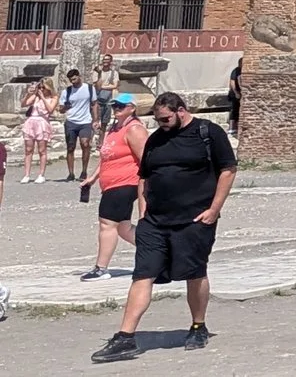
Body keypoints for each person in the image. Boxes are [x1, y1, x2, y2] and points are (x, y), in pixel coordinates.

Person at [92, 92, 236, 362]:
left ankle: (198, 325)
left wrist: (214, 210)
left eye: (166, 119)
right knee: (142, 275)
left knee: (195, 273)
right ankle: (125, 337)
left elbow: (228, 170)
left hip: (194, 220)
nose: (162, 124)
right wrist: (143, 214)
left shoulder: (208, 132)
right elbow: (144, 176)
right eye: (158, 120)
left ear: (181, 110)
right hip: (155, 223)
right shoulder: (156, 140)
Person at [83, 95, 149, 281]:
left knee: (107, 223)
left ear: (132, 108)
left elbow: (146, 158)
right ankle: (160, 251)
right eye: (114, 106)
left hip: (125, 182)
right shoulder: (114, 128)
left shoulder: (134, 129)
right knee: (123, 228)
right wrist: (93, 178)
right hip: (111, 183)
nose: (116, 109)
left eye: (121, 106)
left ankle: (101, 268)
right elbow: (107, 157)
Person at [62, 69, 101, 188]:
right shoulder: (67, 91)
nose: (73, 81)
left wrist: (95, 119)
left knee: (85, 144)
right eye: (71, 80)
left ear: (79, 76)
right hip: (71, 121)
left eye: (74, 79)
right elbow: (60, 108)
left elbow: (94, 104)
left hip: (85, 121)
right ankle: (71, 173)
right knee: (70, 146)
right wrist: (64, 108)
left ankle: (84, 171)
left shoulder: (89, 88)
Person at [19, 78, 57, 183]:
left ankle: (41, 174)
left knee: (42, 150)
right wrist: (28, 94)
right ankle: (26, 174)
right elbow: (23, 104)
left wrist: (43, 98)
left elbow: (50, 109)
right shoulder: (35, 97)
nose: (41, 89)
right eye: (39, 87)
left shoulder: (53, 97)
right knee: (28, 150)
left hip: (42, 122)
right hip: (31, 121)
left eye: (43, 87)